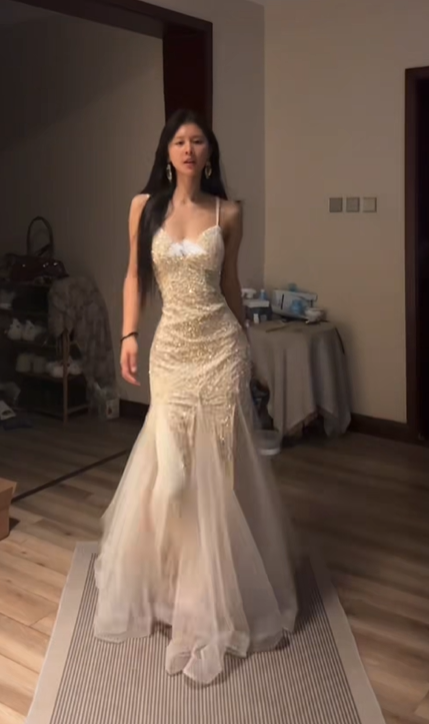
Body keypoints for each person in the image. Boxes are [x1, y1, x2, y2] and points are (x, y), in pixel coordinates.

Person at [94, 109, 298, 685]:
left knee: (220, 475)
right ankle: (168, 574)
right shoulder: (143, 207)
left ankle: (208, 592)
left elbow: (230, 282)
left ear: (209, 153)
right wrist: (128, 336)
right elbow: (134, 276)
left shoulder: (228, 213)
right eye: (179, 141)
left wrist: (248, 344)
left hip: (220, 351)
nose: (188, 149)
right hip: (171, 355)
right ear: (167, 151)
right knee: (174, 479)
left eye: (198, 141)